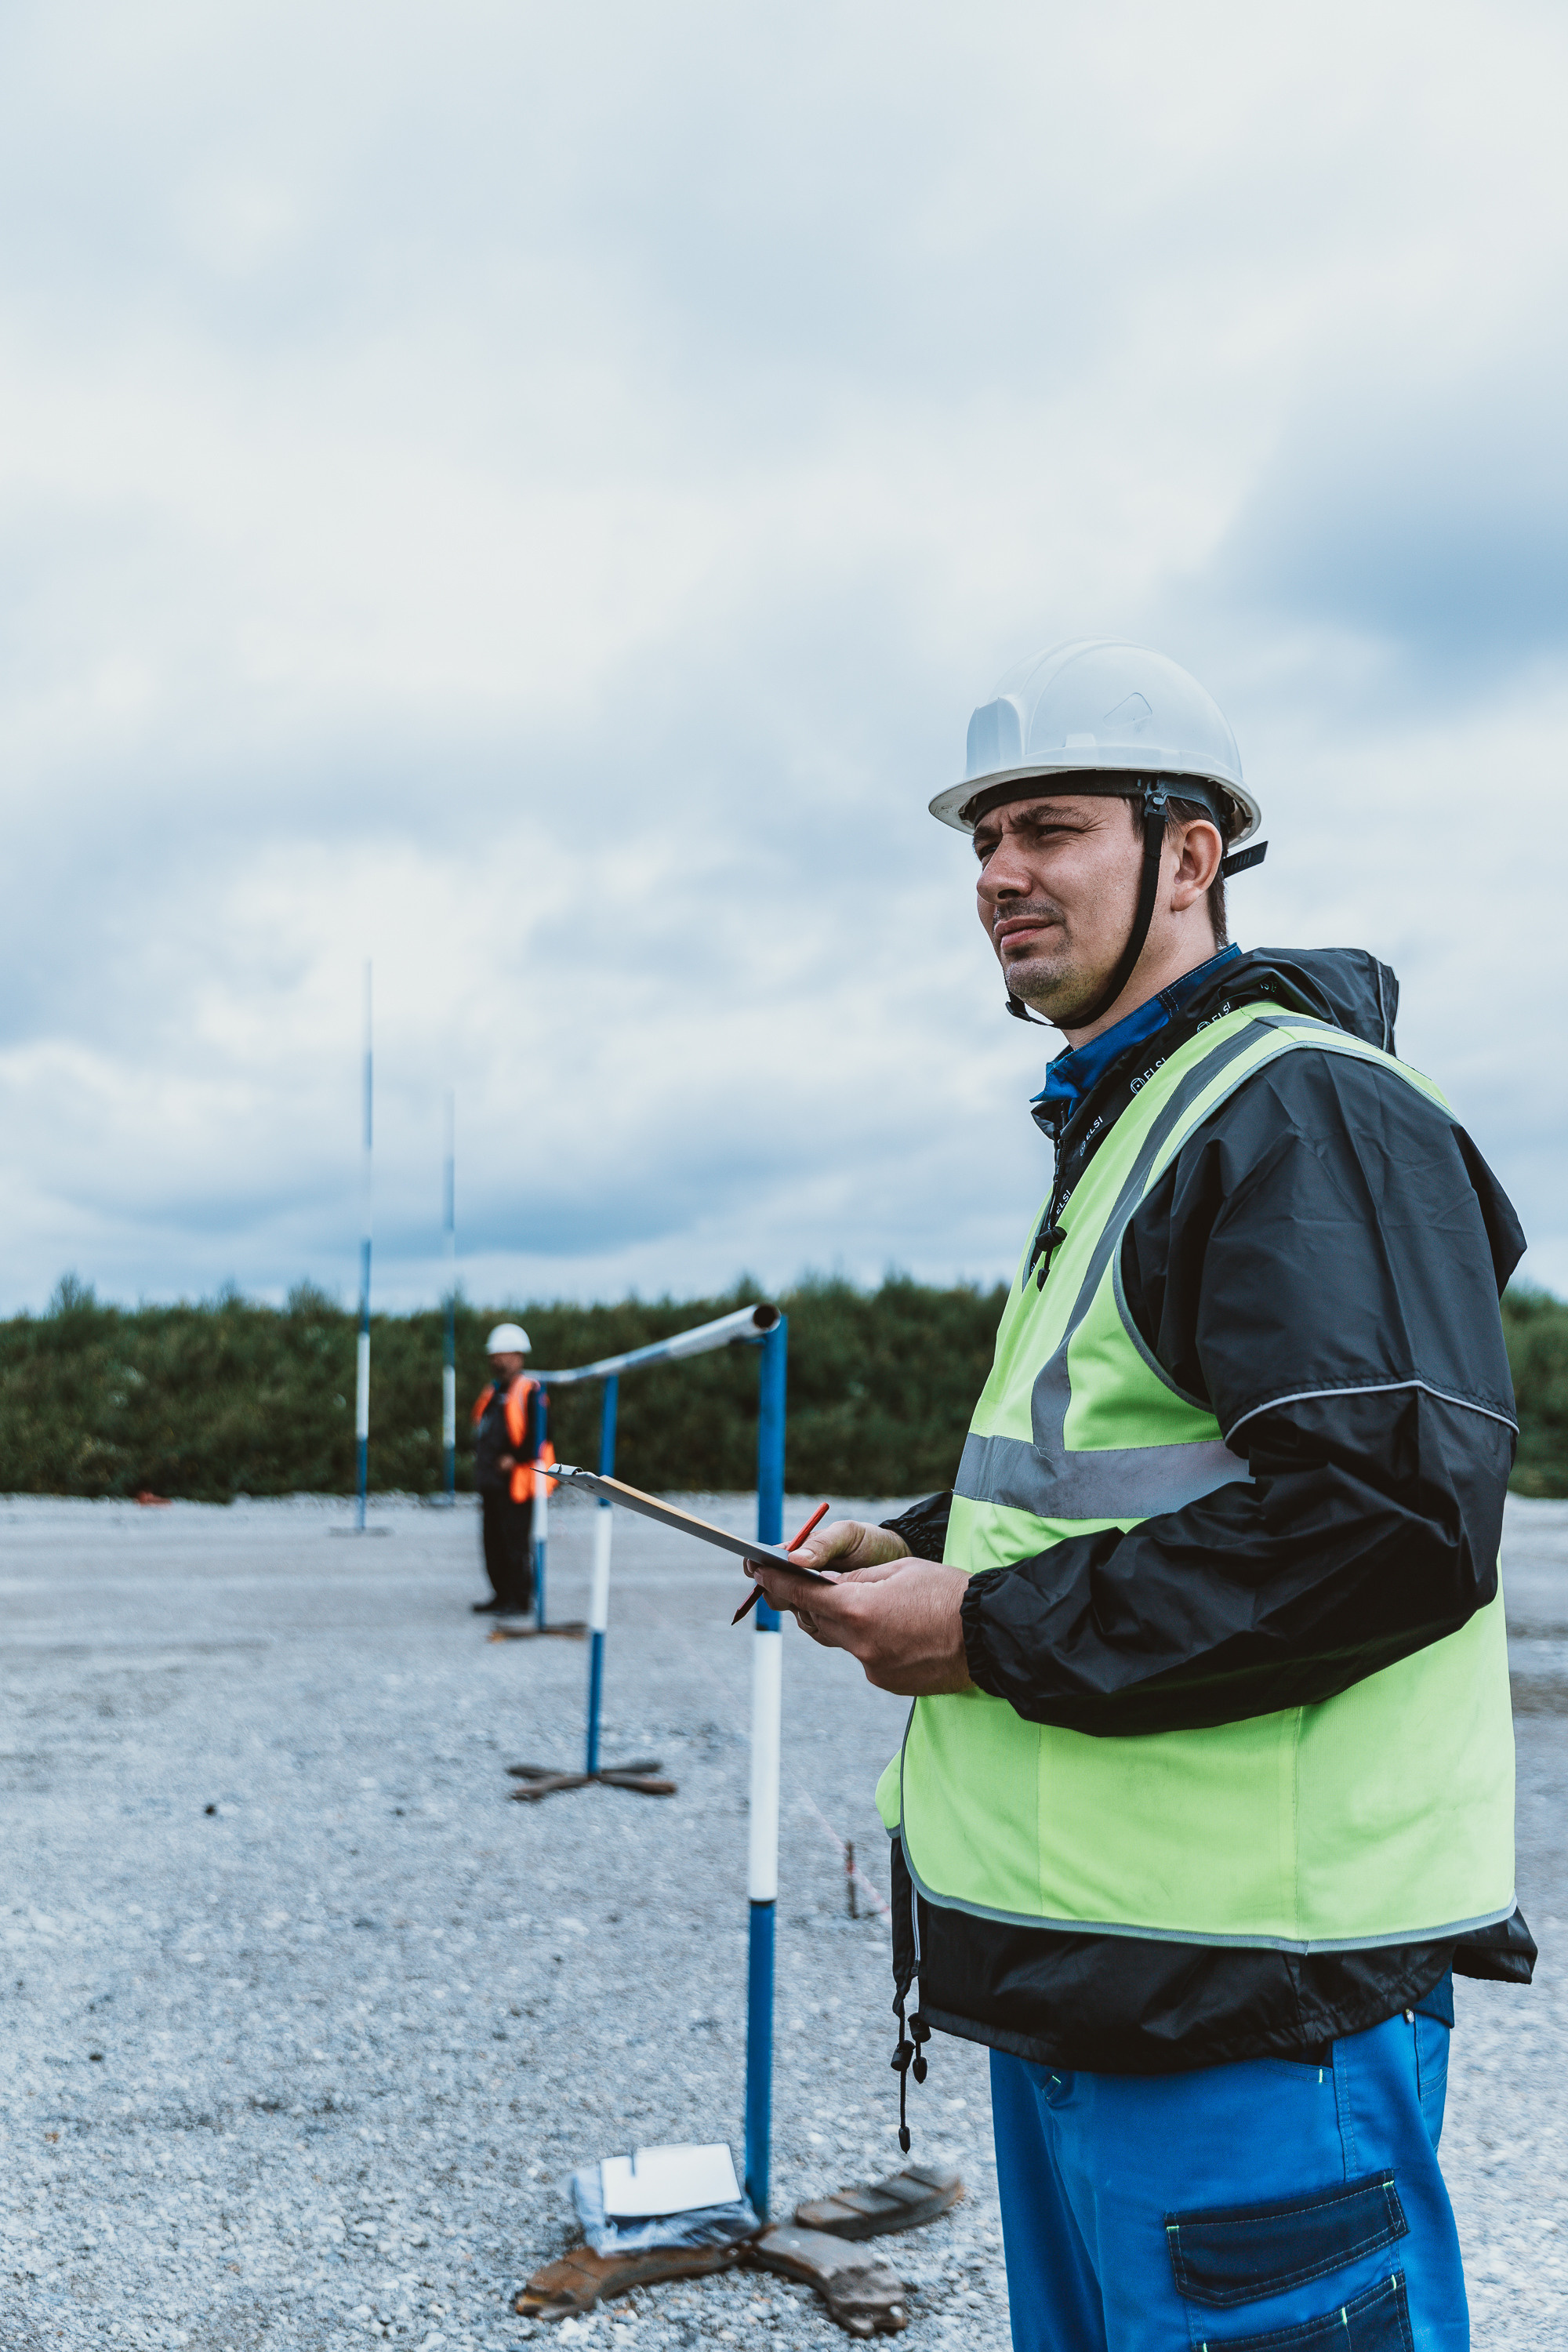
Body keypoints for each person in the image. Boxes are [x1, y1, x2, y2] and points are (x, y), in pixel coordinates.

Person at [746, 639, 1534, 2352]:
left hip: (1254, 2008)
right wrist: (919, 1547)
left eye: (1049, 828)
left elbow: (1387, 1524)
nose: (1000, 877)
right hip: (1098, 1986)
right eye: (980, 843)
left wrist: (977, 1626)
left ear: (1192, 855)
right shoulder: (1132, 1121)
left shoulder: (1296, 1116)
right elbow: (1138, 1481)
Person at [470, 1322, 548, 1617]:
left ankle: (520, 1598)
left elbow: (541, 1434)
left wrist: (515, 1458)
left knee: (516, 1542)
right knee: (493, 1543)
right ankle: (501, 1595)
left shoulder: (530, 1391)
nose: (495, 1360)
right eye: (493, 1355)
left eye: (501, 1354)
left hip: (516, 1483)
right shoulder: (494, 1392)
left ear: (518, 1355)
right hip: (491, 1482)